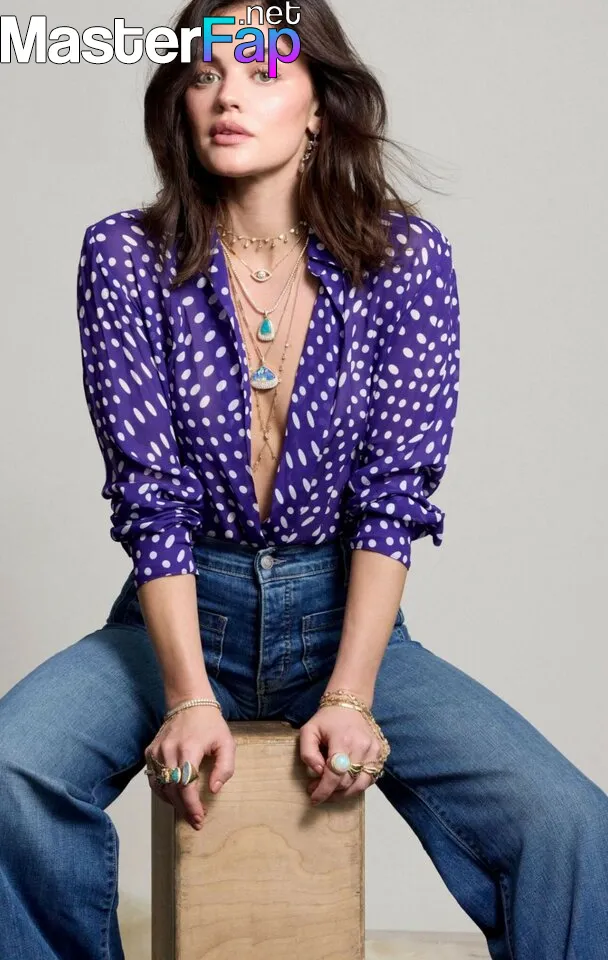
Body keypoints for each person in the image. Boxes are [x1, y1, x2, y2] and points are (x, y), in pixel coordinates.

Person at [2, 1, 607, 958]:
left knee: (568, 825)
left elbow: (393, 498)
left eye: (261, 72)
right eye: (205, 75)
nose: (226, 97)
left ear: (321, 105)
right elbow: (149, 497)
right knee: (11, 769)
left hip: (342, 614)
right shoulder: (124, 256)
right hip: (182, 610)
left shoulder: (405, 261)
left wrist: (353, 694)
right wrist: (188, 695)